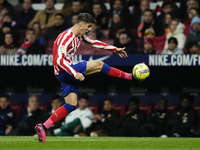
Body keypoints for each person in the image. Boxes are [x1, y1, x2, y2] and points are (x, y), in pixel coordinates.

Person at [35, 13, 132, 143]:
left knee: (71, 104)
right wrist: (74, 73)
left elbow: (93, 42)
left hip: (64, 74)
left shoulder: (79, 34)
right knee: (99, 65)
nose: (90, 29)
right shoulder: (66, 37)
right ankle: (130, 76)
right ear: (81, 24)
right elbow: (58, 60)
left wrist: (114, 49)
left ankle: (43, 126)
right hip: (65, 70)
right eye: (89, 26)